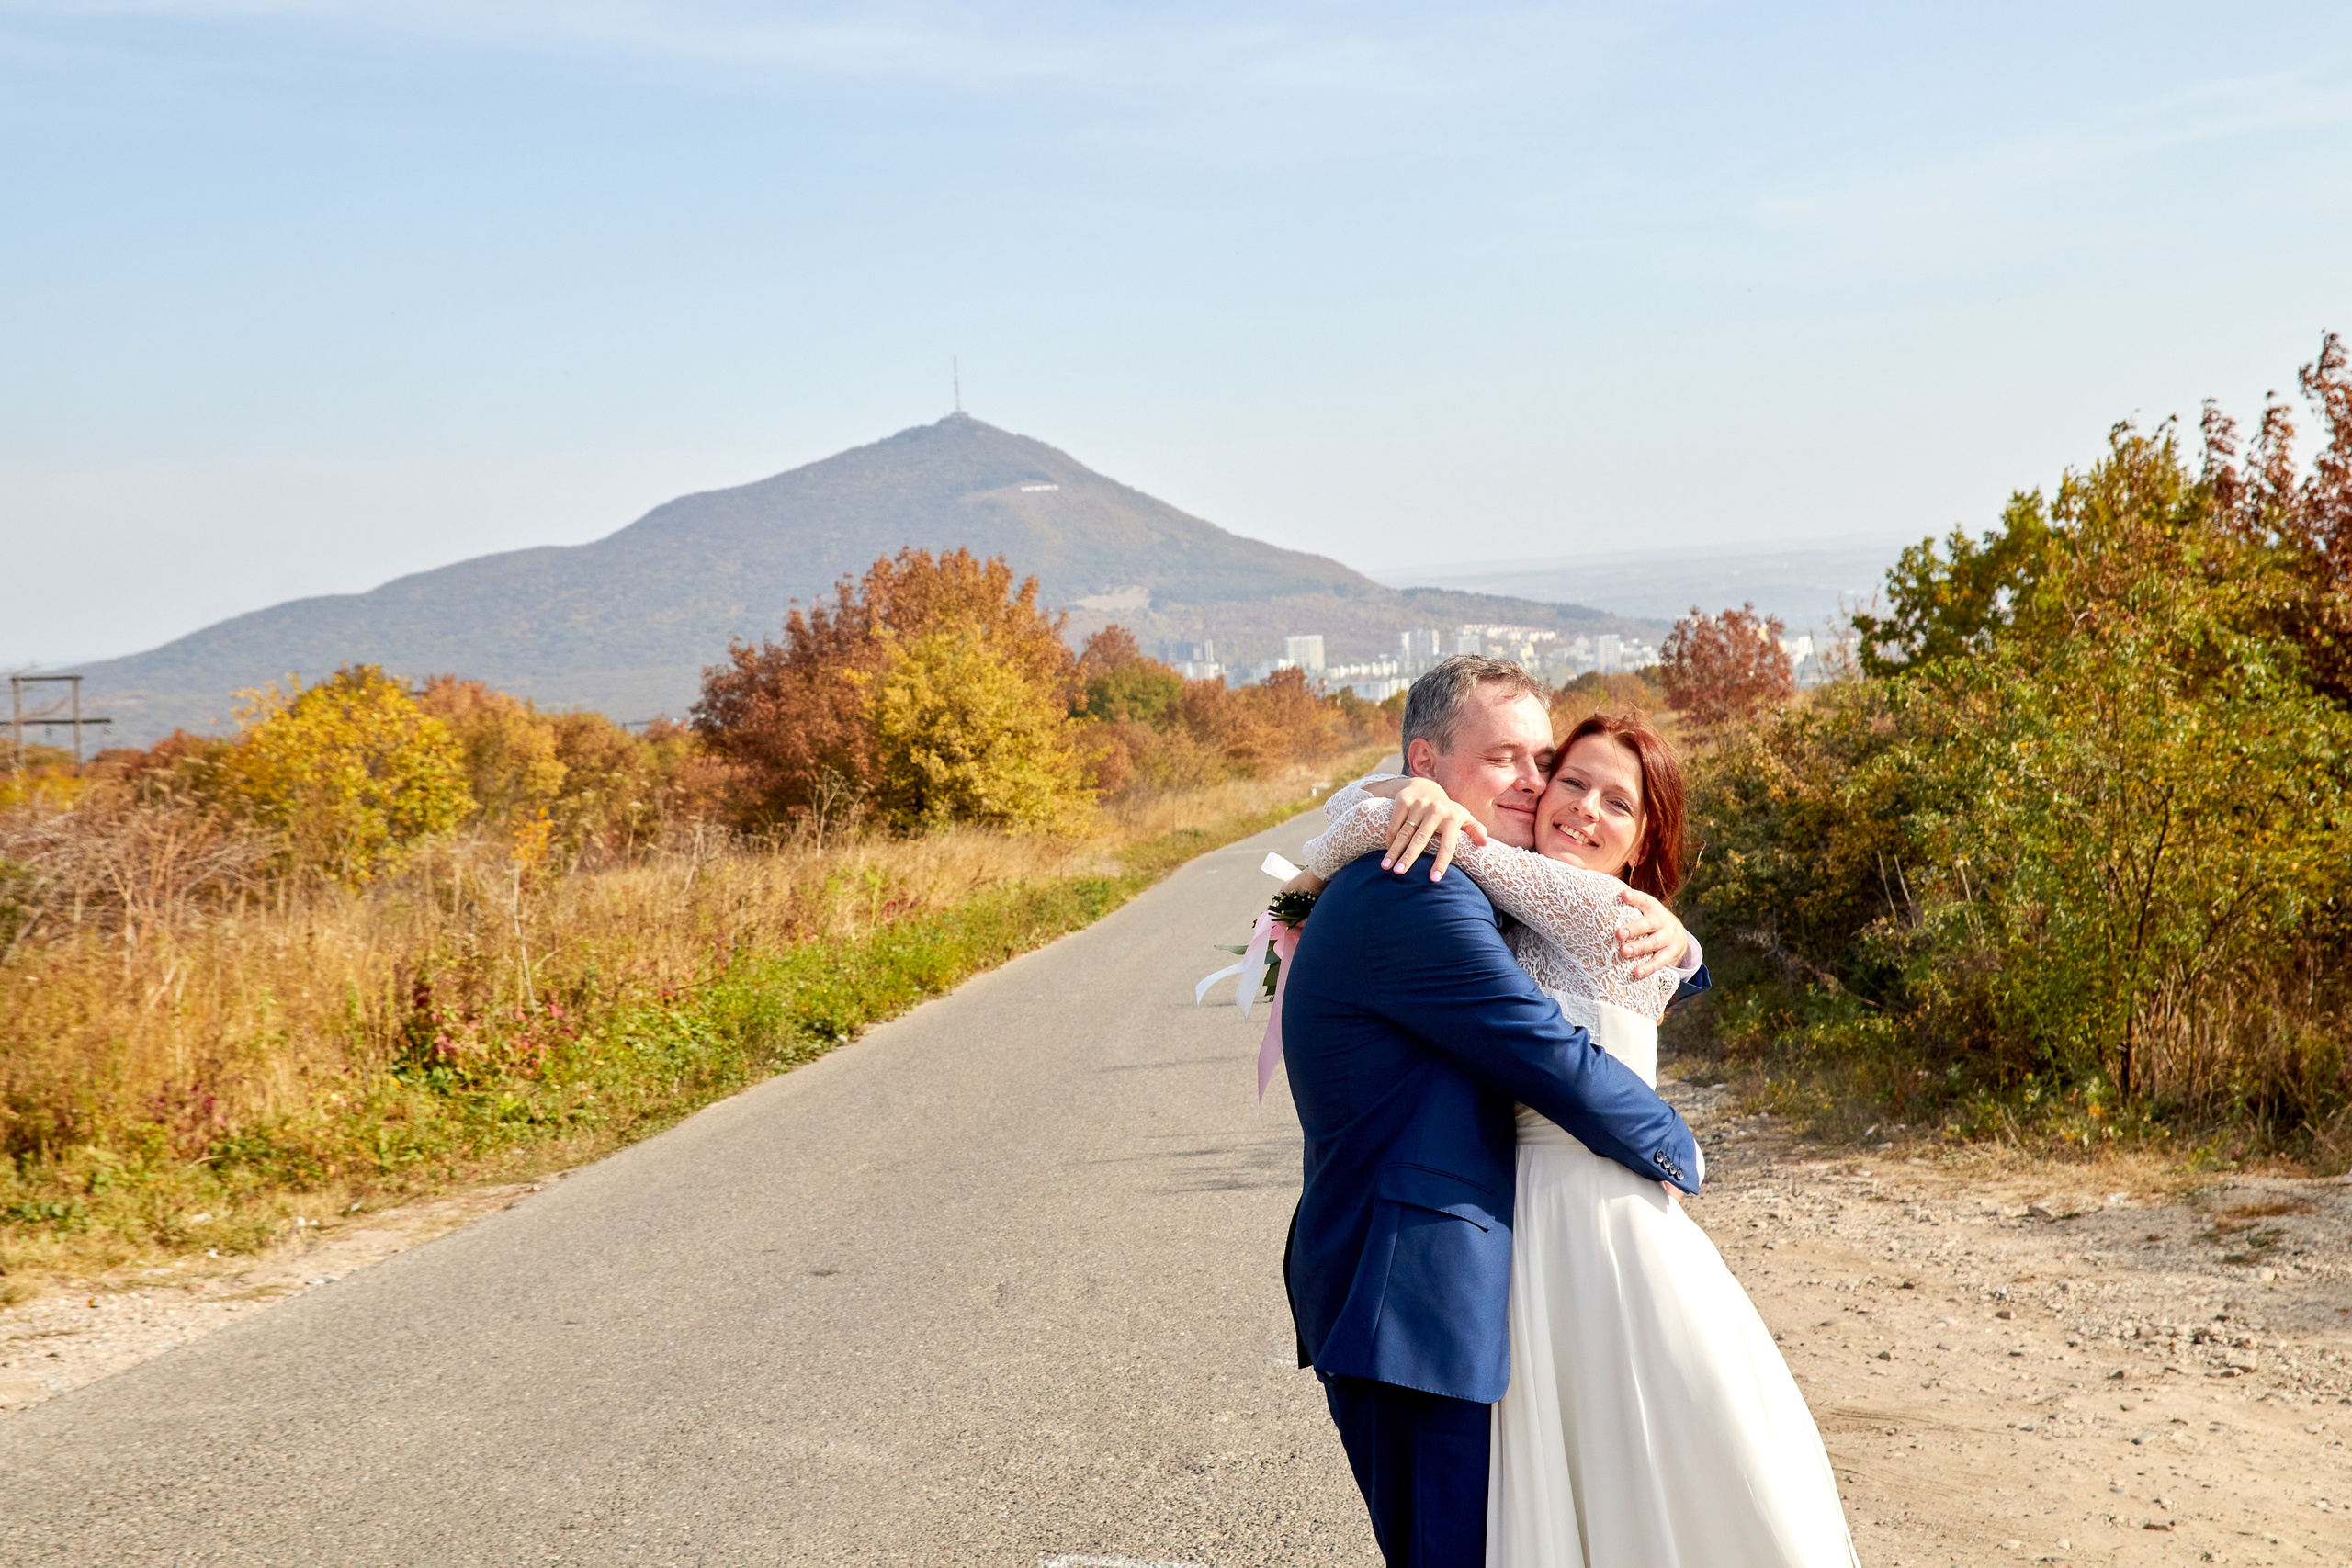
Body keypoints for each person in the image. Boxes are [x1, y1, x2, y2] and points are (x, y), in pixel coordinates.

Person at [1298, 705, 1860, 1567]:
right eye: (1568, 782)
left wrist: (1411, 801)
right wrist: (1412, 785)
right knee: (1580, 1481)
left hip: (1595, 1224)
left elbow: (1402, 848)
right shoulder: (1523, 895)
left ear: (1641, 842)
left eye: (1618, 804)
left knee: (1634, 1466)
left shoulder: (1594, 907)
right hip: (1530, 1230)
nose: (1582, 810)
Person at [1276, 656, 1709, 1568]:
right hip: (1414, 1304)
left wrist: (1682, 943)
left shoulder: (1463, 873)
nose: (1537, 784)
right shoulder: (1413, 889)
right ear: (1425, 765)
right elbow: (1544, 1053)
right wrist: (1680, 1154)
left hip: (1470, 1290)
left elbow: (1587, 940)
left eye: (1540, 758)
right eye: (1506, 758)